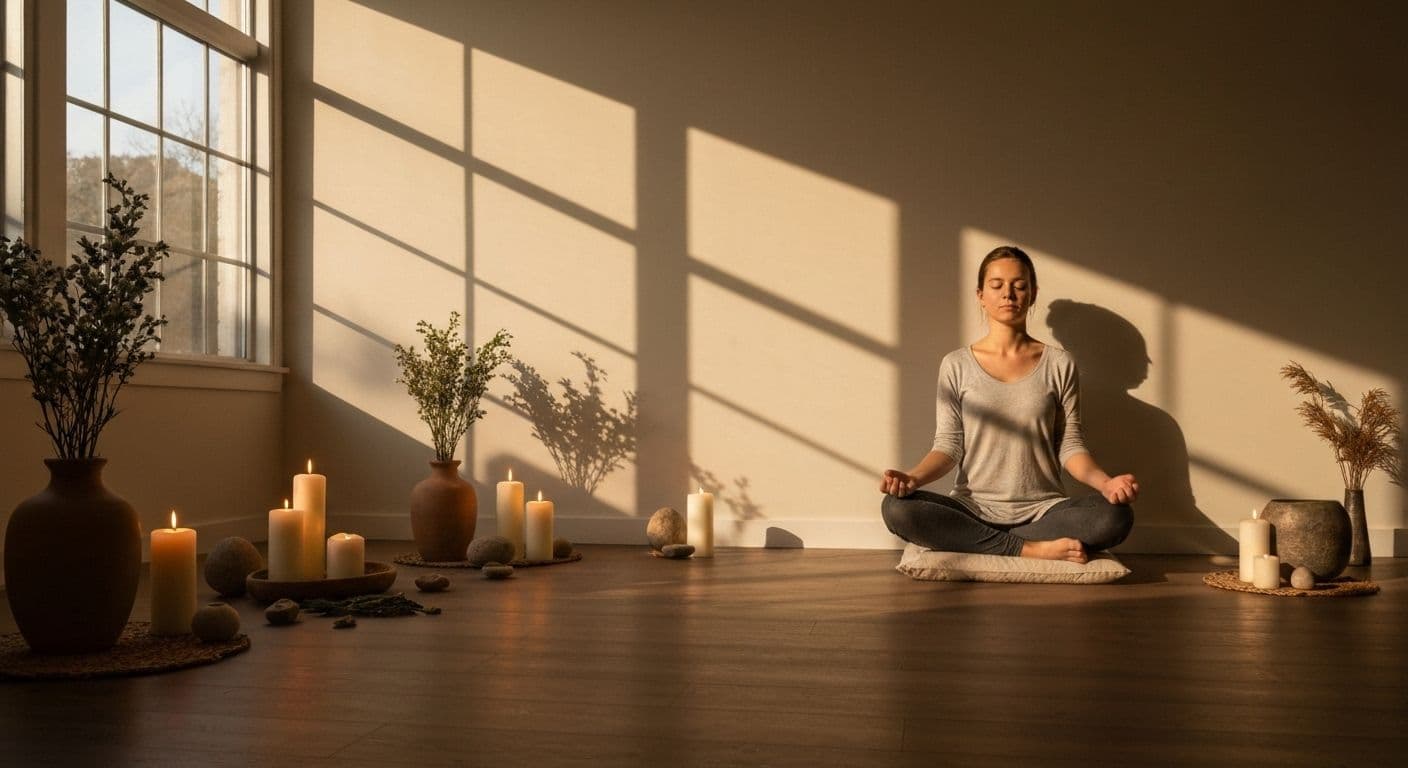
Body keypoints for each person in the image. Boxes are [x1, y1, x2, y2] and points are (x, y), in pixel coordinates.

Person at [880, 246, 1136, 563]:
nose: (1008, 295)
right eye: (997, 285)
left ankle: (986, 543)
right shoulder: (956, 364)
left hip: (1043, 513)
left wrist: (1107, 483)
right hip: (973, 510)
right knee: (896, 509)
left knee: (1116, 518)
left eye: (1019, 285)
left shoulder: (1059, 364)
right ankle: (1027, 549)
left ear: (1032, 294)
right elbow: (949, 445)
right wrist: (912, 478)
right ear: (980, 295)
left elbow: (1070, 444)